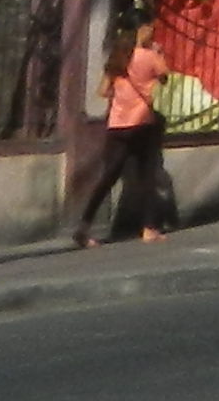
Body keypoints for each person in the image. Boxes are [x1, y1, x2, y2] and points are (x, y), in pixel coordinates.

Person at [73, 17, 171, 246]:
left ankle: (84, 226)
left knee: (108, 177)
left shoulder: (117, 57)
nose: (152, 33)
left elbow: (103, 91)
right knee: (148, 176)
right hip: (142, 124)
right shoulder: (149, 56)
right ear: (142, 31)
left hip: (117, 125)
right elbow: (165, 77)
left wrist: (122, 97)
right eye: (150, 29)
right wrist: (158, 53)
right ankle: (149, 229)